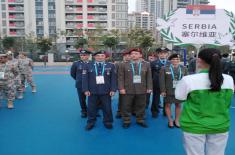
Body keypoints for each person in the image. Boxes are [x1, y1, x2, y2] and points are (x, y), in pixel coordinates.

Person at [175, 48, 234, 155]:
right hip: (220, 124)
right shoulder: (229, 79)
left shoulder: (188, 80)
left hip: (194, 125)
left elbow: (179, 97)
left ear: (199, 60)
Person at [82, 50, 117, 131]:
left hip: (106, 91)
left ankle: (108, 122)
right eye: (98, 56)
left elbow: (113, 79)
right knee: (91, 108)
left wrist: (113, 89)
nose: (100, 57)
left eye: (102, 55)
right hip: (92, 91)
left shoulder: (111, 65)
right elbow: (85, 79)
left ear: (105, 57)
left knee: (107, 107)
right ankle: (90, 122)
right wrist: (85, 89)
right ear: (94, 57)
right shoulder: (88, 65)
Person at [118, 48, 152, 128]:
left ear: (140, 55)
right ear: (130, 55)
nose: (134, 55)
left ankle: (140, 119)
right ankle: (126, 120)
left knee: (141, 105)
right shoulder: (123, 64)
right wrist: (121, 88)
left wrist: (149, 87)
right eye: (132, 54)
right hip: (128, 89)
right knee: (126, 105)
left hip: (142, 89)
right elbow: (120, 77)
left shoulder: (146, 64)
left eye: (136, 53)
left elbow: (149, 77)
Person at [160, 54, 187, 128]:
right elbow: (162, 80)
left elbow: (186, 80)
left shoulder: (184, 68)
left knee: (178, 105)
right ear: (170, 60)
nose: (175, 61)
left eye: (177, 59)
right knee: (168, 105)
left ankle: (177, 120)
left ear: (179, 60)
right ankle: (170, 120)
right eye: (173, 59)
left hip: (180, 90)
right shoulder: (164, 68)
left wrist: (186, 90)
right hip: (168, 90)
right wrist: (163, 90)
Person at [70, 50, 91, 118]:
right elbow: (72, 74)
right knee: (82, 99)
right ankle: (84, 111)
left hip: (91, 84)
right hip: (80, 84)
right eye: (81, 55)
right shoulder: (76, 63)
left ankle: (93, 110)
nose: (82, 56)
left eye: (84, 55)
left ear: (88, 56)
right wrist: (79, 80)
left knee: (93, 98)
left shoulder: (92, 63)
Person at [150, 47, 170, 117]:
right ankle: (155, 111)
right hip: (156, 83)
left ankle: (166, 112)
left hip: (167, 84)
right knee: (156, 98)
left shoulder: (170, 63)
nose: (163, 55)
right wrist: (151, 84)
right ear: (158, 54)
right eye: (161, 53)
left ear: (167, 54)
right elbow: (151, 75)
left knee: (167, 99)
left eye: (164, 53)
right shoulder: (153, 63)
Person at [115, 50, 131, 119]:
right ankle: (119, 112)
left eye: (129, 55)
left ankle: (131, 111)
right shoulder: (118, 64)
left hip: (131, 85)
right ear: (123, 56)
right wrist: (118, 86)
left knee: (131, 99)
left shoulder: (132, 63)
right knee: (121, 99)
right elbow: (115, 75)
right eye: (126, 56)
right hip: (122, 85)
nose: (127, 57)